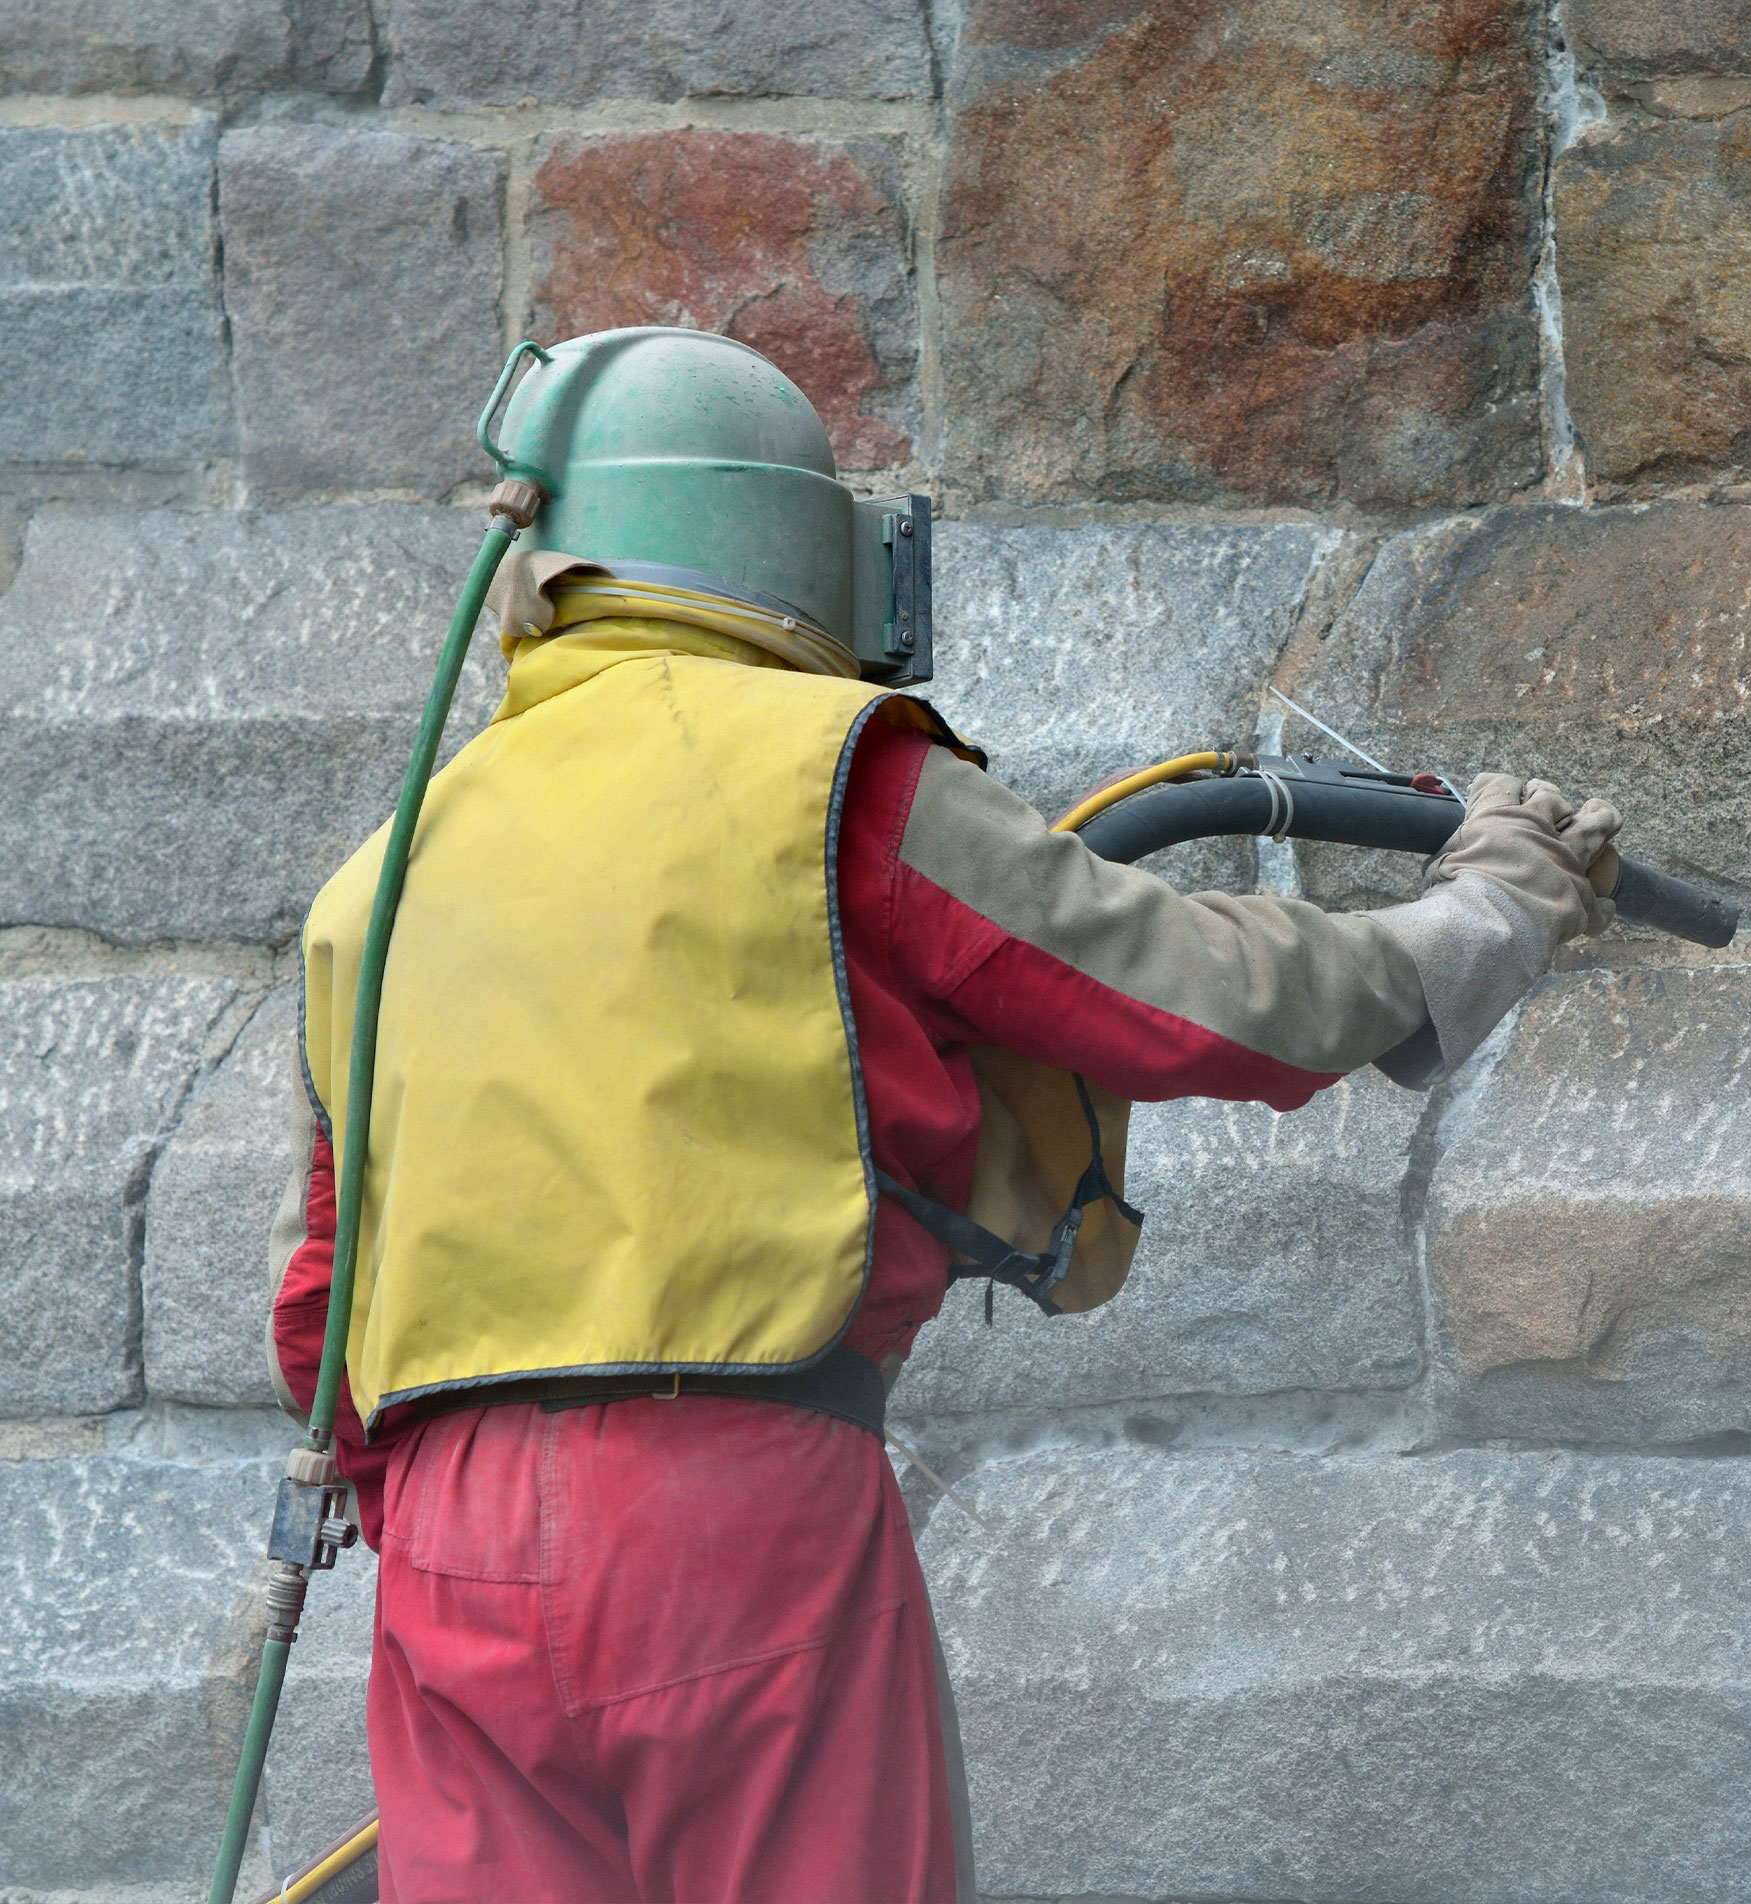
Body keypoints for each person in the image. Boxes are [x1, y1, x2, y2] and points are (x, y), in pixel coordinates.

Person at [267, 328, 1618, 1904]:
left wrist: (450, 1523)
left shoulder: (376, 878)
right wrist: (1479, 922)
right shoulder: (826, 778)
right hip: (731, 1508)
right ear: (806, 555)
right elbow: (1191, 995)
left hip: (448, 1543)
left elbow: (319, 1304)